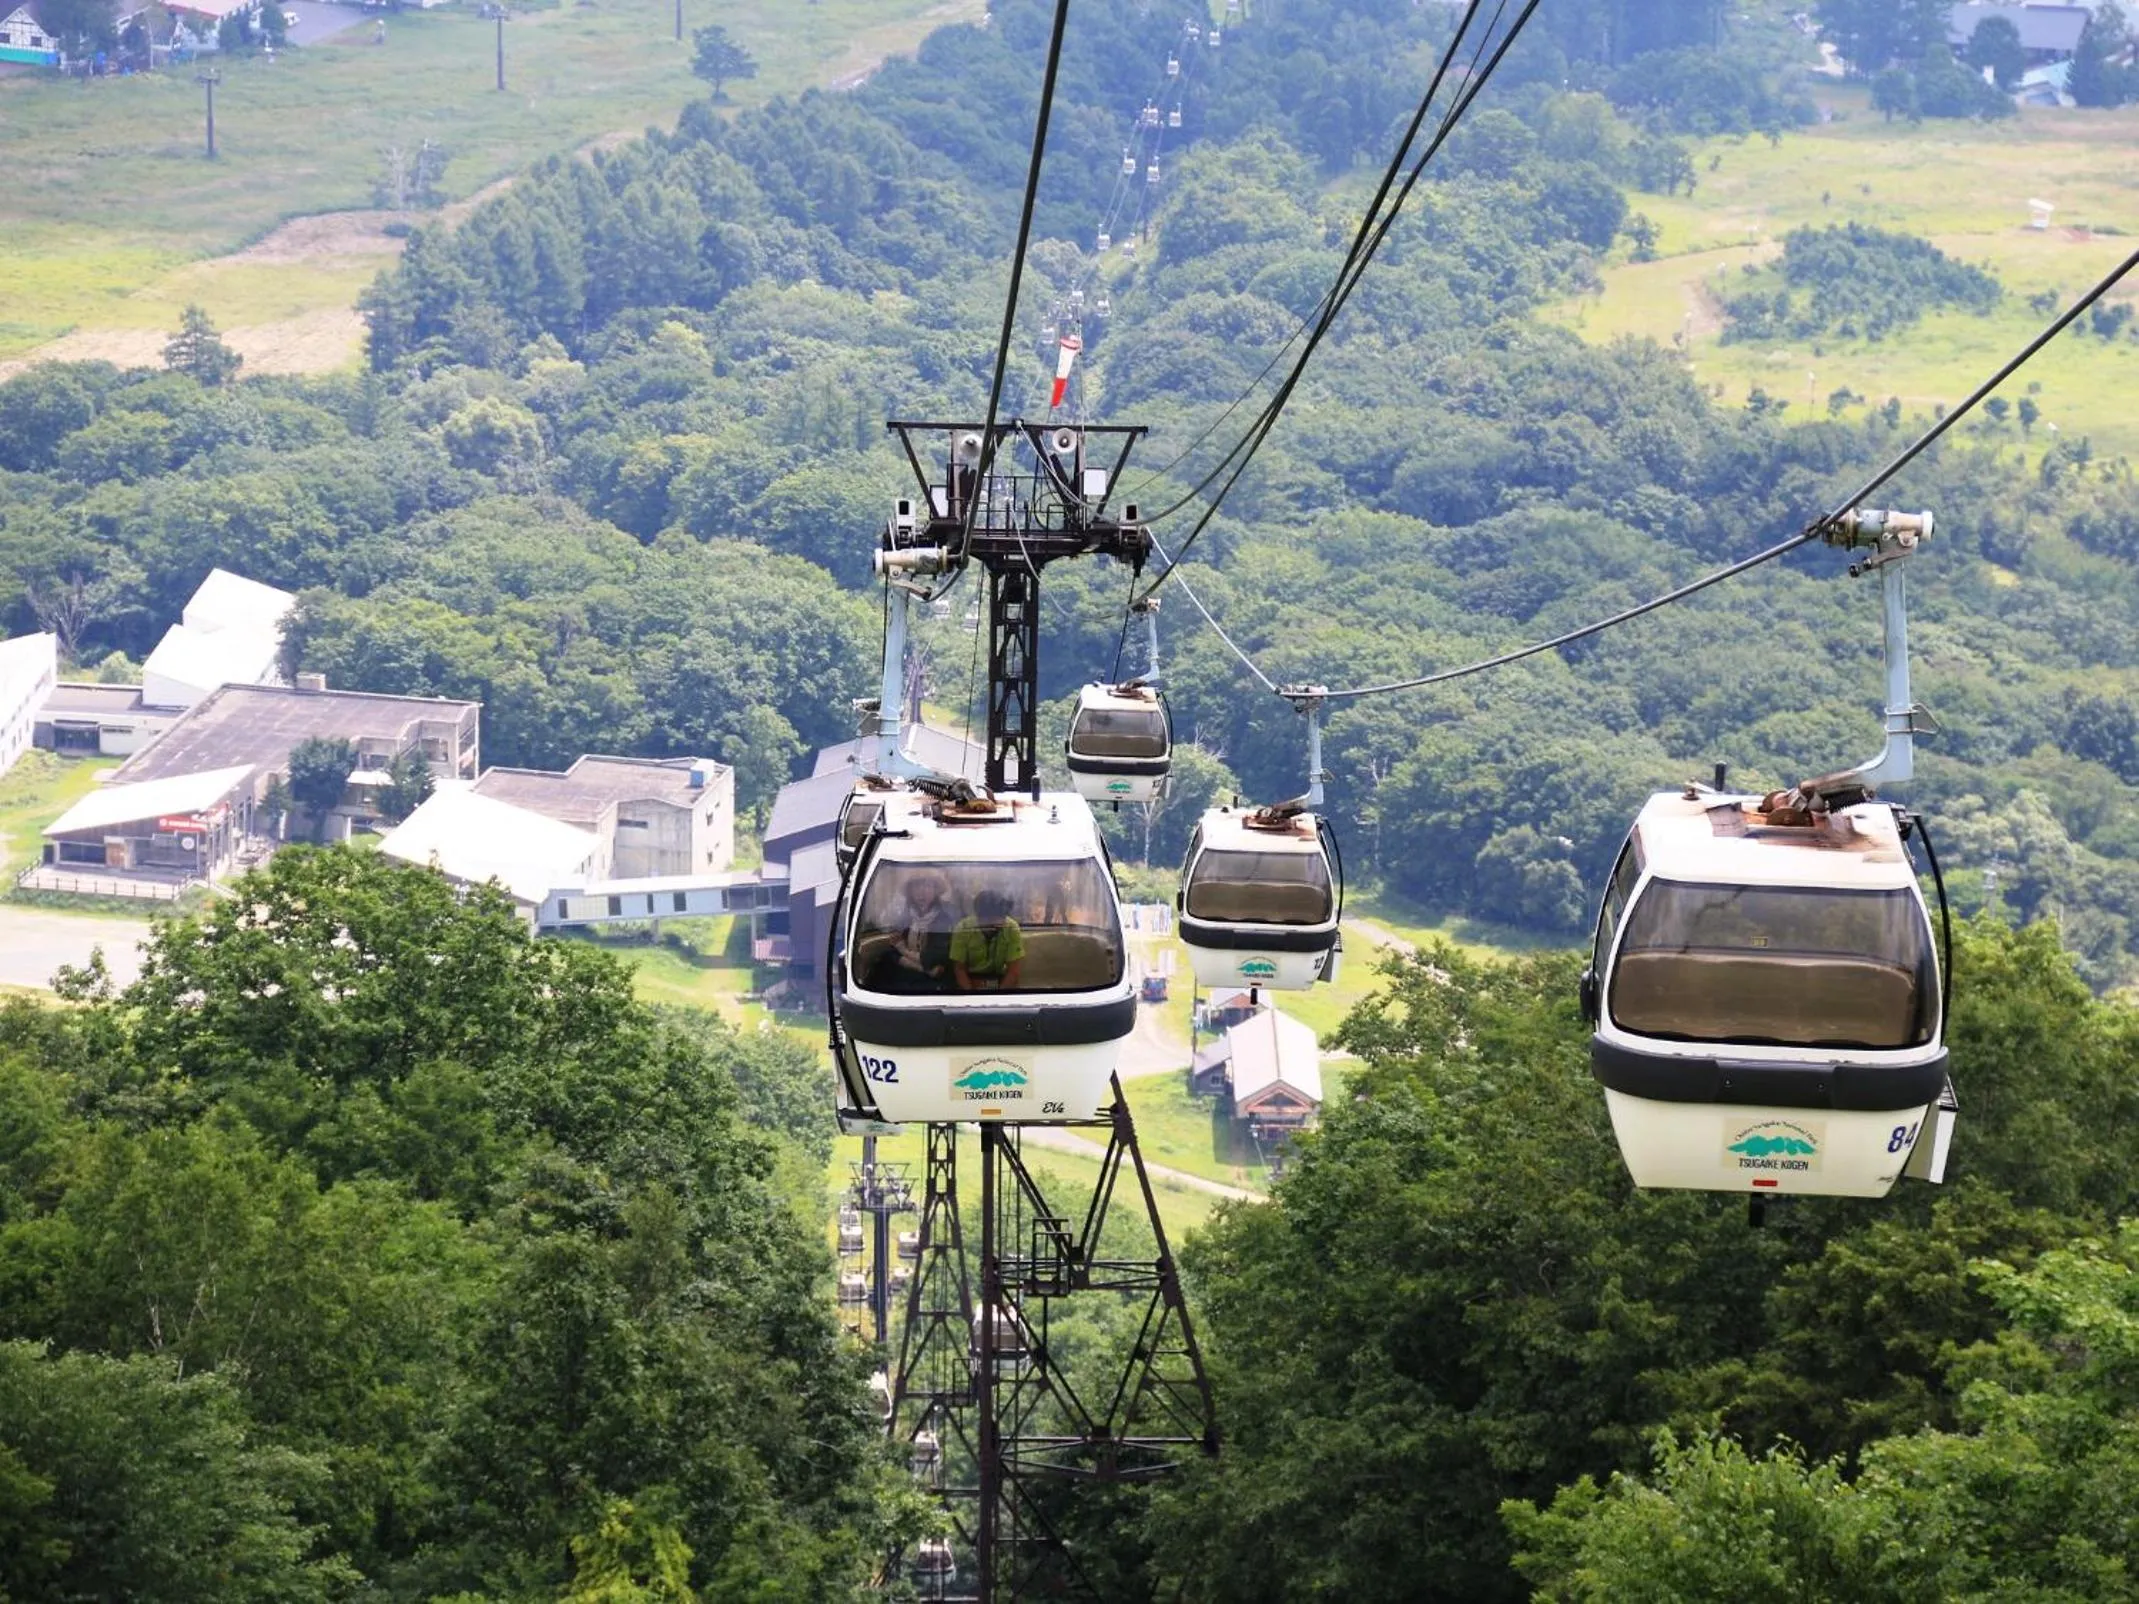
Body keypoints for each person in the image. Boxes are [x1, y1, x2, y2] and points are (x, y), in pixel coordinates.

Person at [869, 871, 954, 993]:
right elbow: (892, 950)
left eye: (927, 886)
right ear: (910, 892)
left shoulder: (944, 920)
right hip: (906, 980)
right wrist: (924, 969)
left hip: (933, 986)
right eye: (917, 886)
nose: (922, 891)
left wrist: (903, 950)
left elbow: (935, 958)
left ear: (935, 892)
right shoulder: (904, 919)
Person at [951, 890, 1025, 992]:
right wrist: (972, 997)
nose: (997, 922)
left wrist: (998, 998)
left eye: (1001, 917)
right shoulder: (963, 928)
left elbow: (1013, 971)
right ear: (978, 917)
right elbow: (959, 969)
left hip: (1001, 980)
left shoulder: (1012, 927)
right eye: (990, 919)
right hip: (970, 980)